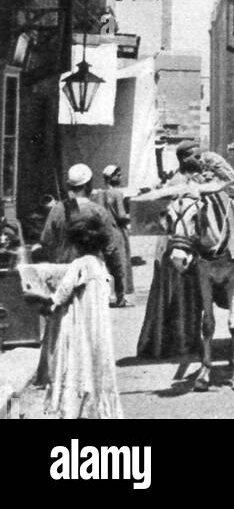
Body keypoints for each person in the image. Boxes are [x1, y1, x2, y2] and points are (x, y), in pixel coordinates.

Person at [136, 140, 234, 359]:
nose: (200, 159)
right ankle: (180, 343)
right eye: (196, 156)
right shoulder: (179, 182)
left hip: (192, 248)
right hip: (179, 249)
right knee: (182, 296)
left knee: (192, 298)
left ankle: (189, 341)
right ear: (185, 159)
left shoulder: (197, 178)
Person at [41, 211, 123, 420]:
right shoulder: (100, 265)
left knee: (76, 364)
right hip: (99, 325)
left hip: (79, 323)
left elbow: (64, 290)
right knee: (98, 365)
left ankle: (74, 411)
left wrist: (50, 303)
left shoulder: (80, 264)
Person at [40, 164, 127, 306]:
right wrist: (119, 288)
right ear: (88, 185)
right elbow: (111, 251)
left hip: (63, 278)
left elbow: (45, 240)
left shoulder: (57, 210)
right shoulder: (97, 211)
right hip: (89, 281)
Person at [93, 165, 133, 298]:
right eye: (118, 175)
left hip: (104, 232)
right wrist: (133, 217)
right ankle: (121, 296)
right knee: (120, 263)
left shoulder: (99, 194)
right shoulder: (117, 193)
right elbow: (121, 216)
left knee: (106, 263)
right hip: (117, 232)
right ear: (111, 177)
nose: (120, 177)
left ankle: (107, 294)